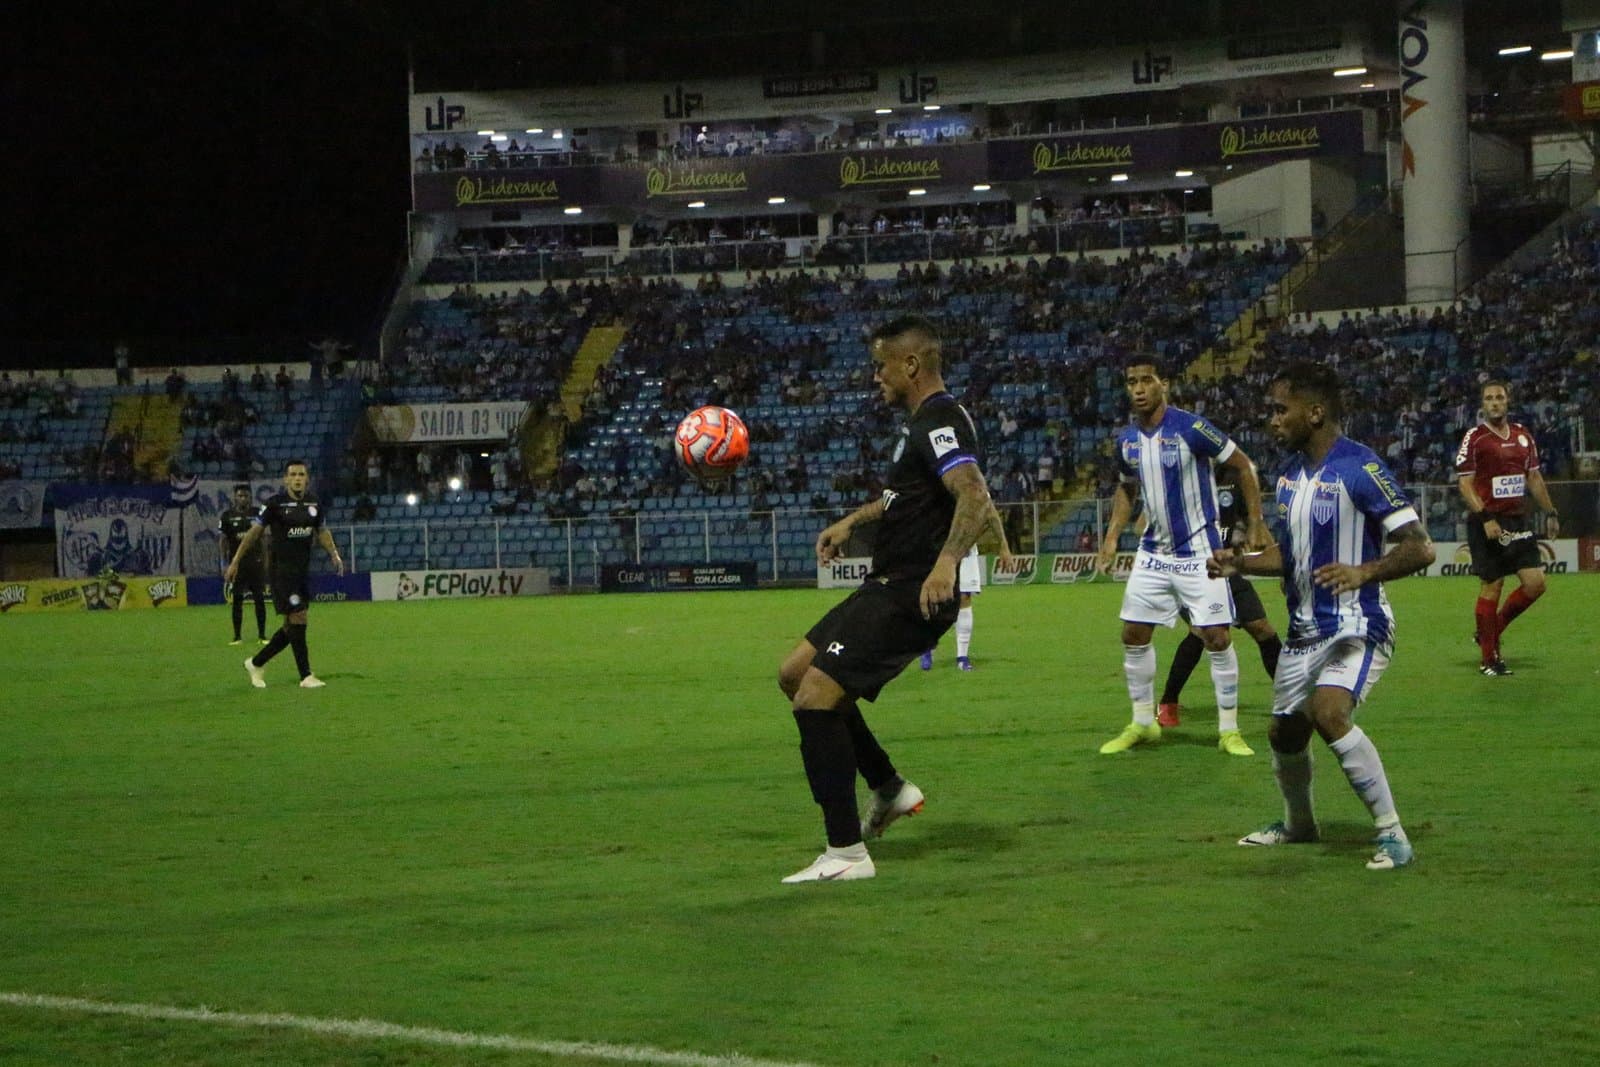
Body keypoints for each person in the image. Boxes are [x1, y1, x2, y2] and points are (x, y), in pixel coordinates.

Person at [776, 315, 996, 883]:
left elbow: (976, 498)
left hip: (911, 592)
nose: (875, 376)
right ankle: (890, 789)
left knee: (815, 698)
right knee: (794, 673)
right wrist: (855, 519)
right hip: (886, 583)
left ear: (911, 365)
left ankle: (845, 853)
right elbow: (905, 499)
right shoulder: (922, 424)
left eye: (881, 365)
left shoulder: (940, 419)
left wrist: (946, 564)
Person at [1214, 361, 1434, 871]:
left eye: (1279, 409)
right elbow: (1292, 558)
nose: (1271, 420)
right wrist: (1239, 563)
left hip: (1358, 624)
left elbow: (1419, 548)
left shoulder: (1361, 467)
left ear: (1314, 413)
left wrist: (1365, 572)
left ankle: (1393, 834)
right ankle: (1299, 826)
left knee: (1329, 713)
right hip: (1305, 633)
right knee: (1284, 735)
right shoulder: (1290, 477)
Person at [1095, 356, 1271, 757]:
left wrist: (1257, 522)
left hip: (1199, 554)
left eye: (1146, 380)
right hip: (1154, 553)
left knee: (1217, 637)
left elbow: (1244, 466)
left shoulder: (1192, 428)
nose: (1138, 388)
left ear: (1164, 384)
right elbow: (1126, 489)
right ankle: (1143, 722)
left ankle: (1228, 730)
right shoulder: (1127, 440)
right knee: (1133, 634)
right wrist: (1111, 537)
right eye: (1131, 381)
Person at [1157, 463, 1283, 726]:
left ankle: (1290, 697)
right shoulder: (1177, 489)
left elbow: (1256, 525)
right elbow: (1145, 528)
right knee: (1201, 633)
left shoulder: (1233, 489)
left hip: (1227, 570)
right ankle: (1168, 703)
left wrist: (1282, 566)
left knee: (1263, 630)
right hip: (1192, 571)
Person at [1454, 380, 1560, 676]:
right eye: (1489, 398)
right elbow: (1464, 482)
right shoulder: (1474, 438)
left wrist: (1550, 511)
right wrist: (1486, 517)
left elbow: (1534, 478)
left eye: (1499, 397)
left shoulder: (1523, 436)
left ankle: (1491, 630)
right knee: (1493, 585)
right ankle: (1489, 660)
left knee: (1536, 583)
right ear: (1483, 405)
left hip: (1517, 519)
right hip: (1487, 521)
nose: (1495, 402)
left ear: (1508, 401)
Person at [225, 459, 343, 689]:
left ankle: (256, 662)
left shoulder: (314, 504)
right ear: (285, 479)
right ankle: (306, 676)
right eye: (293, 474)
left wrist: (334, 554)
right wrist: (235, 560)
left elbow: (322, 530)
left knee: (292, 626)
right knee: (299, 617)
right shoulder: (275, 505)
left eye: (301, 474)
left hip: (301, 572)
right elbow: (253, 534)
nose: (298, 478)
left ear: (307, 479)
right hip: (281, 572)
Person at [919, 540, 1008, 672]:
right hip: (939, 546)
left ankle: (962, 657)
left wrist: (1003, 546)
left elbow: (988, 518)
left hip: (966, 548)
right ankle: (927, 648)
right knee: (935, 596)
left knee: (964, 597)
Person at [218, 483, 268, 645]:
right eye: (240, 495)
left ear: (250, 497)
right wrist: (224, 563)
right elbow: (223, 541)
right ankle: (237, 636)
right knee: (237, 600)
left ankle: (262, 635)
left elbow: (264, 537)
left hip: (255, 563)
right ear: (234, 497)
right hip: (237, 564)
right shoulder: (227, 516)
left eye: (246, 496)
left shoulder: (257, 513)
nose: (243, 498)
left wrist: (265, 559)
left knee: (259, 599)